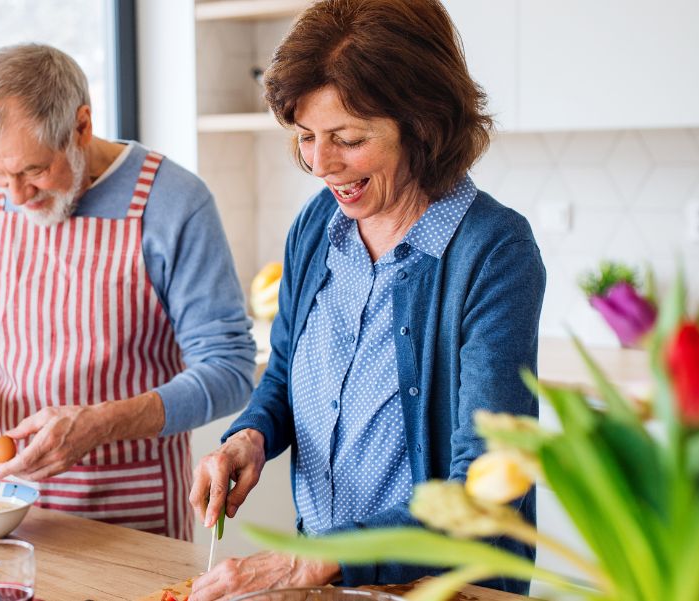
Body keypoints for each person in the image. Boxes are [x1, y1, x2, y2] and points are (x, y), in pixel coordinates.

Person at [187, 0, 545, 597]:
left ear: (423, 123)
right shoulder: (318, 227)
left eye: (347, 139)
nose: (320, 164)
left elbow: (484, 488)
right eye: (306, 137)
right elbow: (284, 377)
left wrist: (312, 562)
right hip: (331, 583)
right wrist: (249, 435)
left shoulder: (493, 251)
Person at [0, 43, 256, 542]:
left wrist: (101, 423)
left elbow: (230, 369)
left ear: (81, 125)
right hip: (7, 510)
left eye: (33, 170)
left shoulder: (174, 201)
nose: (14, 196)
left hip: (133, 518)